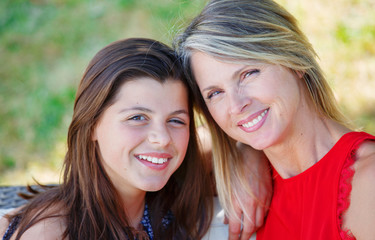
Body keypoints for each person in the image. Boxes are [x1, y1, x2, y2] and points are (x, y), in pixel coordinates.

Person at [174, 0, 375, 239]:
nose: (237, 106)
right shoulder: (247, 179)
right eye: (215, 93)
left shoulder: (367, 181)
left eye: (248, 73)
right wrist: (244, 151)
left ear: (293, 60)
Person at [0, 38, 215, 239]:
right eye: (137, 117)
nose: (162, 139)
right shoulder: (52, 231)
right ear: (92, 124)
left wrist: (246, 156)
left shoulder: (172, 193)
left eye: (176, 120)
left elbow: (217, 144)